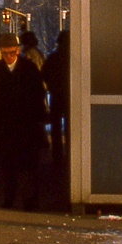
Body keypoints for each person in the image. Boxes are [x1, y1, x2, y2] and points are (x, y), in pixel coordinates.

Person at [0, 33, 48, 210]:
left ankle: (30, 201)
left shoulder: (29, 68)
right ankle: (9, 199)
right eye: (5, 53)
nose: (8, 57)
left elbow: (38, 94)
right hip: (5, 126)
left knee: (28, 167)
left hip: (26, 125)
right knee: (8, 166)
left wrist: (34, 117)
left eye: (11, 52)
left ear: (18, 50)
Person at [42, 30, 70, 171]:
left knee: (56, 128)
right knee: (72, 127)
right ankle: (71, 155)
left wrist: (53, 86)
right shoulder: (74, 58)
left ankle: (57, 157)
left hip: (56, 96)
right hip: (70, 96)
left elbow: (44, 74)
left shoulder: (53, 57)